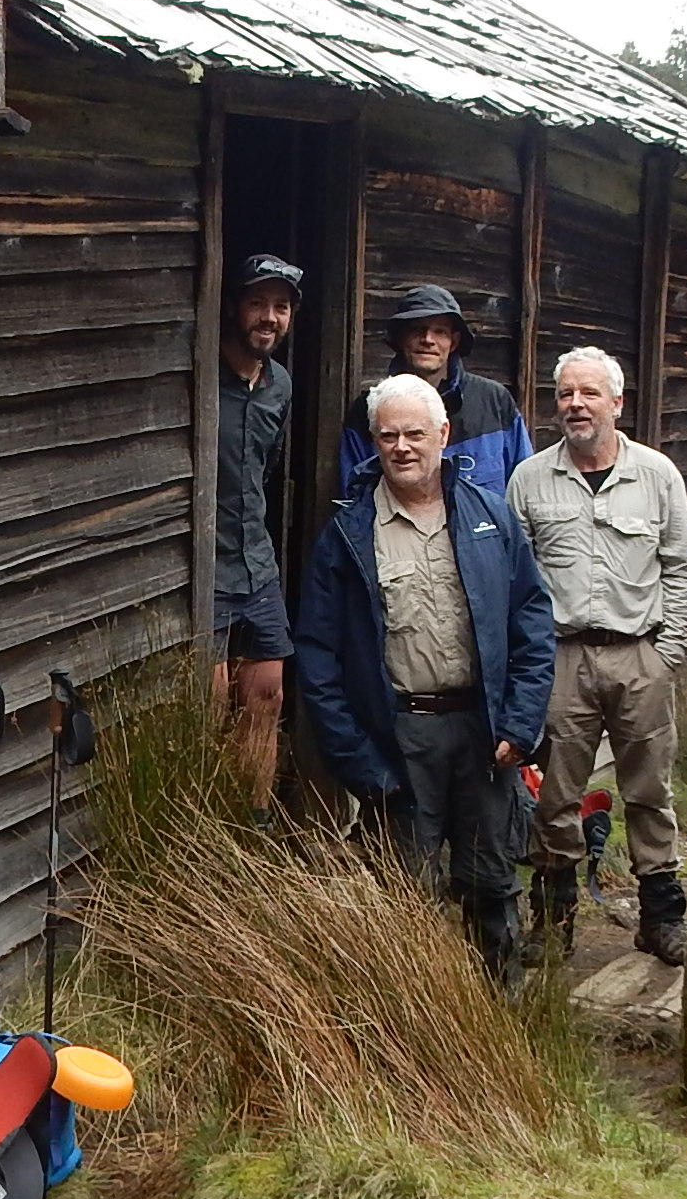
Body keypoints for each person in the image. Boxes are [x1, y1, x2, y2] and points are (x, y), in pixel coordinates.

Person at [293, 372, 556, 986]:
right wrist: (360, 762)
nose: (402, 447)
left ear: (444, 434)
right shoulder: (348, 537)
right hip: (399, 740)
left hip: (485, 735)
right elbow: (319, 660)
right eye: (388, 436)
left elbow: (534, 625)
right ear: (374, 442)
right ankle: (415, 1027)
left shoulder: (492, 517)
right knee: (406, 898)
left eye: (415, 433)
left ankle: (501, 1011)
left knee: (492, 886)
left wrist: (521, 724)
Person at [508, 347, 687, 965]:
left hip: (639, 656)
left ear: (617, 403)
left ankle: (660, 918)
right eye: (565, 394)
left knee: (649, 789)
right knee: (555, 795)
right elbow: (516, 579)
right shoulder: (530, 479)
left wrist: (665, 652)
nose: (575, 405)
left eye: (589, 393)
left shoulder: (658, 475)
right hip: (562, 660)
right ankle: (554, 923)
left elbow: (682, 566)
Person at [211, 253, 305, 801]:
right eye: (257, 303)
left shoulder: (282, 384)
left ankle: (252, 823)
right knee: (205, 708)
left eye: (281, 306)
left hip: (257, 565)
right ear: (233, 308)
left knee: (267, 700)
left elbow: (267, 470)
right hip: (207, 568)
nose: (269, 317)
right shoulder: (200, 371)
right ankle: (201, 828)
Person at [334, 284, 531, 495]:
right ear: (401, 339)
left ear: (453, 342)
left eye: (439, 331)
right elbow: (353, 497)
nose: (428, 340)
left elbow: (525, 489)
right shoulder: (368, 410)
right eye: (417, 330)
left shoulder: (494, 402)